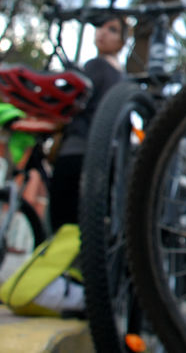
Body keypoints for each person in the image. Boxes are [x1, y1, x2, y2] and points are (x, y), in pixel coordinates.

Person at [47, 14, 128, 230]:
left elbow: (70, 101)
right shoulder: (125, 81)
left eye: (112, 29)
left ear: (122, 42)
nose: (102, 32)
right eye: (100, 27)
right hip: (107, 159)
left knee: (62, 222)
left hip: (77, 149)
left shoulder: (96, 66)